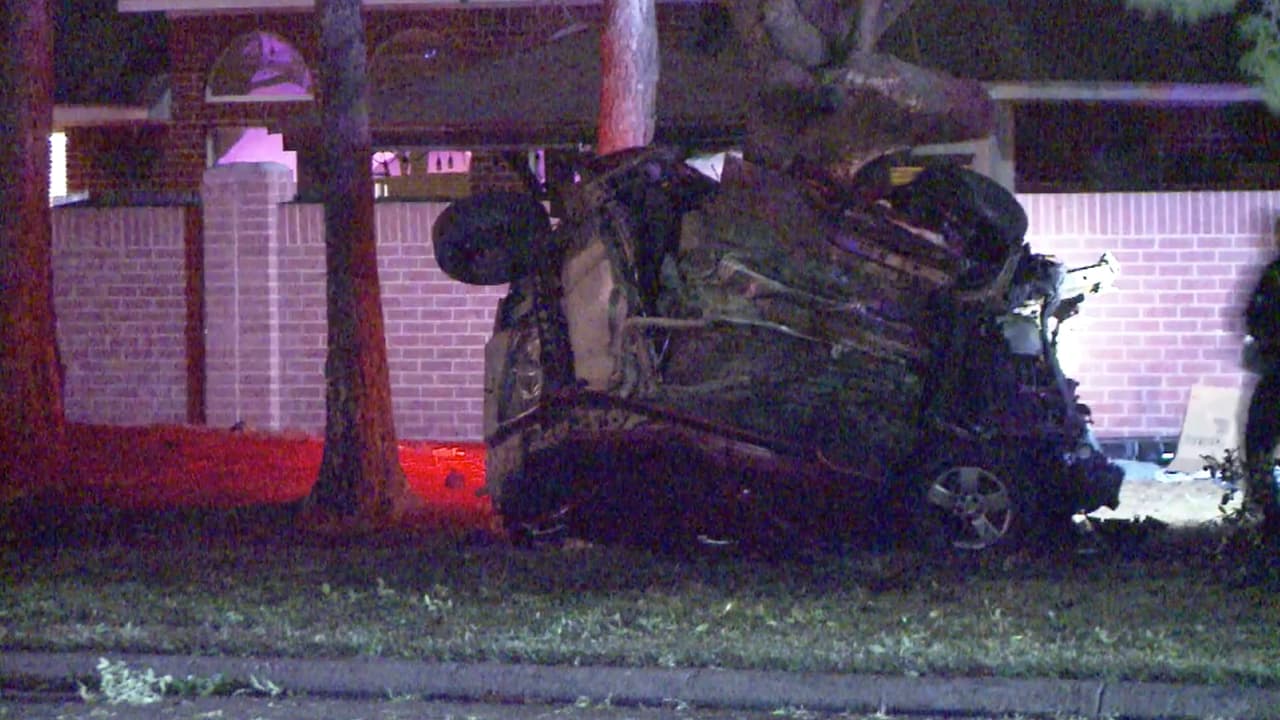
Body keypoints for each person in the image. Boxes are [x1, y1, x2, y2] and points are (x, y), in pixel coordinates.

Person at [1243, 254, 1280, 527]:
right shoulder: (1273, 273)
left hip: (1276, 371)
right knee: (1258, 439)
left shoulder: (1274, 273)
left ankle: (1270, 515)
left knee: (1259, 439)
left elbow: (1254, 317)